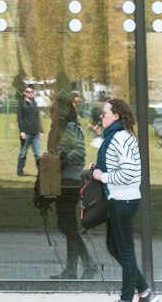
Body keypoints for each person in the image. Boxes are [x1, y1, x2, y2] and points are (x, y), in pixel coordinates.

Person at [91, 97, 155, 302]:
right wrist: (98, 169)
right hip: (118, 200)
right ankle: (144, 290)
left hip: (123, 201)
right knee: (113, 247)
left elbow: (128, 174)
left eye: (105, 113)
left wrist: (102, 176)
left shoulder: (120, 137)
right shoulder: (115, 136)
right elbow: (118, 166)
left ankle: (127, 298)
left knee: (126, 253)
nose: (101, 116)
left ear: (116, 116)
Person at [47, 96, 93, 280]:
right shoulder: (57, 129)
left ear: (67, 110)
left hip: (70, 182)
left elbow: (80, 152)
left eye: (59, 107)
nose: (55, 110)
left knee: (69, 226)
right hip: (61, 181)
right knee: (65, 225)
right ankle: (85, 265)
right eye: (54, 107)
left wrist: (61, 161)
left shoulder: (71, 128)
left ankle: (75, 269)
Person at [16, 82, 43, 175]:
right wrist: (22, 131)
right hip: (26, 133)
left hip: (35, 133)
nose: (30, 93)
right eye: (28, 92)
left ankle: (41, 172)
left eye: (31, 92)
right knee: (23, 153)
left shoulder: (34, 103)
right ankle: (20, 171)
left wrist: (41, 131)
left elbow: (37, 118)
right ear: (25, 93)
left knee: (38, 154)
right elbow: (19, 119)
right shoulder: (21, 104)